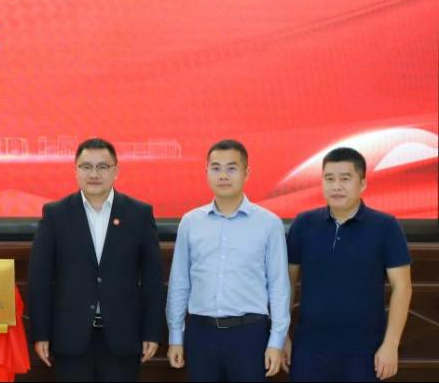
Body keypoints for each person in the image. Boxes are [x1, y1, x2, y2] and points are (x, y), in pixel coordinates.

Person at [28, 138, 164, 382]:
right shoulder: (55, 214)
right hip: (71, 337)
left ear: (116, 170)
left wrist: (152, 332)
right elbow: (40, 279)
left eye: (102, 167)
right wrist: (41, 334)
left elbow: (153, 280)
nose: (94, 174)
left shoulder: (139, 214)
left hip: (123, 338)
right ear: (76, 170)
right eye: (86, 167)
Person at [284, 147, 412, 382]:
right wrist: (283, 337)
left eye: (345, 179)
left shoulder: (386, 226)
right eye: (329, 179)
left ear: (362, 184)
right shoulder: (304, 224)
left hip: (365, 351)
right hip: (309, 350)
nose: (336, 186)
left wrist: (391, 345)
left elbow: (402, 287)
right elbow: (286, 283)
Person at [166, 139, 289, 382]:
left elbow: (279, 287)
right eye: (216, 168)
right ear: (206, 172)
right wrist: (175, 337)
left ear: (246, 173)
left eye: (231, 168)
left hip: (249, 335)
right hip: (201, 334)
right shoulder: (191, 222)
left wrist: (276, 341)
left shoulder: (269, 223)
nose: (223, 175)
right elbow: (179, 284)